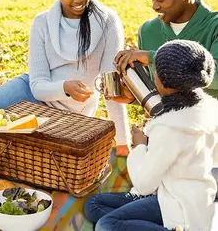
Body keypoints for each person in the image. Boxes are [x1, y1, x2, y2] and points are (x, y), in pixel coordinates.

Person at [0, 0, 131, 156]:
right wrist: (64, 87)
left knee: (4, 144)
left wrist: (122, 142)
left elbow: (111, 87)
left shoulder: (108, 21)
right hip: (31, 94)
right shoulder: (43, 23)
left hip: (67, 116)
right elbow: (37, 86)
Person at [84, 39, 218, 231]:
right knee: (93, 205)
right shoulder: (209, 109)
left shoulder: (170, 128)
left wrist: (140, 146)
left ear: (162, 82)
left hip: (178, 207)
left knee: (106, 224)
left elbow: (144, 183)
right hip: (191, 197)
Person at [114, 0, 218, 190]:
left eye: (160, 0)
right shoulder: (148, 30)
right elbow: (160, 90)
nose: (154, 7)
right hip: (165, 136)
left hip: (206, 140)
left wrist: (153, 56)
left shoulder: (214, 26)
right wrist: (133, 96)